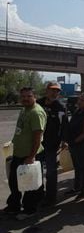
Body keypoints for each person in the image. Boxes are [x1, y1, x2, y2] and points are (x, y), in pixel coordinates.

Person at [3, 87, 46, 220]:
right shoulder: (24, 109)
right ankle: (14, 206)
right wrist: (13, 142)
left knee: (29, 184)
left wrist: (31, 156)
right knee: (14, 181)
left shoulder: (36, 112)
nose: (25, 99)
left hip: (29, 155)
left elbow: (37, 137)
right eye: (23, 96)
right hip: (19, 153)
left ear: (35, 97)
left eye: (29, 96)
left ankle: (29, 210)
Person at [37, 81, 67, 207]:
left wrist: (64, 141)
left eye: (57, 91)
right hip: (36, 145)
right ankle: (38, 195)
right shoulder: (38, 103)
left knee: (51, 172)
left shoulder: (60, 107)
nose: (55, 93)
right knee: (37, 171)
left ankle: (50, 198)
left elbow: (64, 125)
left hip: (52, 145)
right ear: (47, 90)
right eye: (52, 90)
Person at [65, 93, 84, 200]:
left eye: (82, 100)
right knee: (77, 167)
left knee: (83, 167)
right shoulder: (79, 110)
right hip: (74, 143)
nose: (79, 102)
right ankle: (77, 187)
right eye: (79, 99)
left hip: (82, 144)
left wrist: (73, 142)